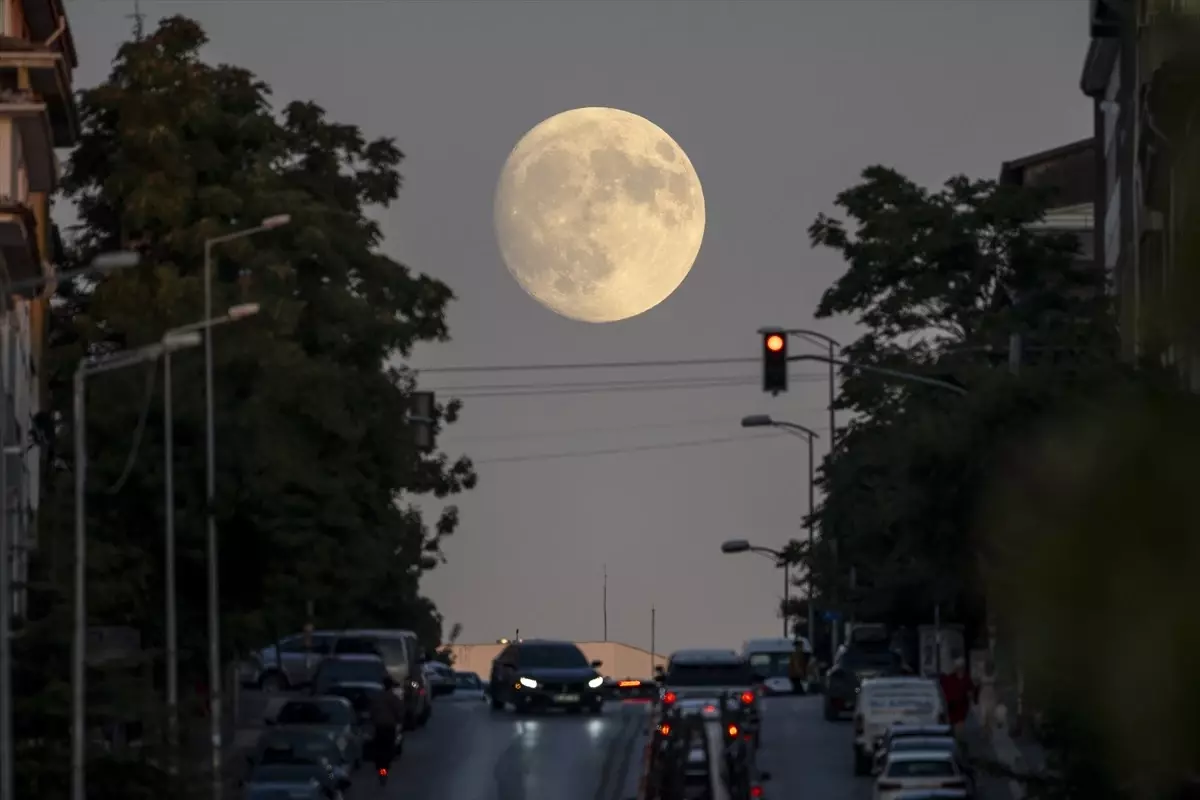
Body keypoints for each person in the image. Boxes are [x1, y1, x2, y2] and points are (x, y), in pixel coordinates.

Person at [367, 677, 406, 781]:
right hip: (388, 727)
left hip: (379, 727)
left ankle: (381, 770)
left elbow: (372, 712)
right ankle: (383, 771)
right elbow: (400, 712)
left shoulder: (378, 698)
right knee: (387, 750)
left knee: (380, 750)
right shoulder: (393, 698)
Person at [939, 657, 977, 741]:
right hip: (952, 705)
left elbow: (970, 690)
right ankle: (955, 739)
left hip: (962, 705)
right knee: (952, 724)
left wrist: (971, 698)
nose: (959, 668)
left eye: (960, 667)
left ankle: (960, 741)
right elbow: (945, 688)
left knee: (960, 724)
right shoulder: (951, 678)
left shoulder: (966, 678)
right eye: (957, 667)